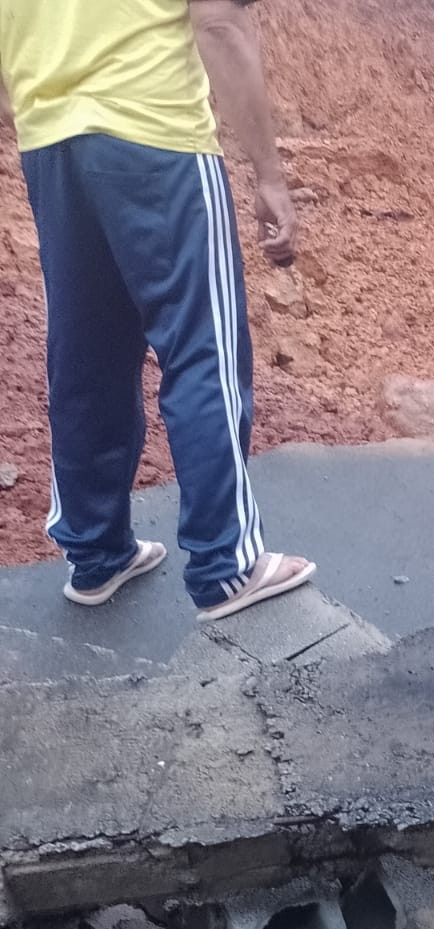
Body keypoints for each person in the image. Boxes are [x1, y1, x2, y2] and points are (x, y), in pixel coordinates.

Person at [0, 0, 315, 620]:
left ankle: (95, 553)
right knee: (204, 348)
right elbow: (219, 22)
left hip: (51, 144)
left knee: (86, 355)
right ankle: (227, 564)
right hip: (158, 139)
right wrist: (270, 175)